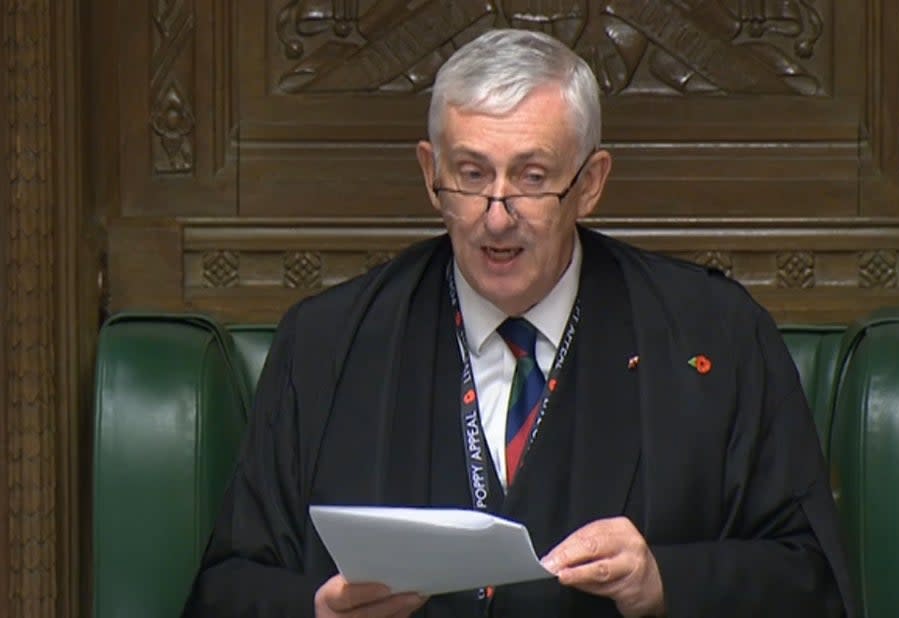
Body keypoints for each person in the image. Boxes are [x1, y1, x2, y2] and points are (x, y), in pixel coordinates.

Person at [184, 28, 855, 617]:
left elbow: (813, 582)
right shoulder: (326, 344)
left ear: (590, 183)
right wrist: (318, 614)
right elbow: (226, 592)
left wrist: (665, 583)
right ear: (430, 173)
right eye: (471, 174)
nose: (496, 215)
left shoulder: (714, 334)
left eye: (532, 177)